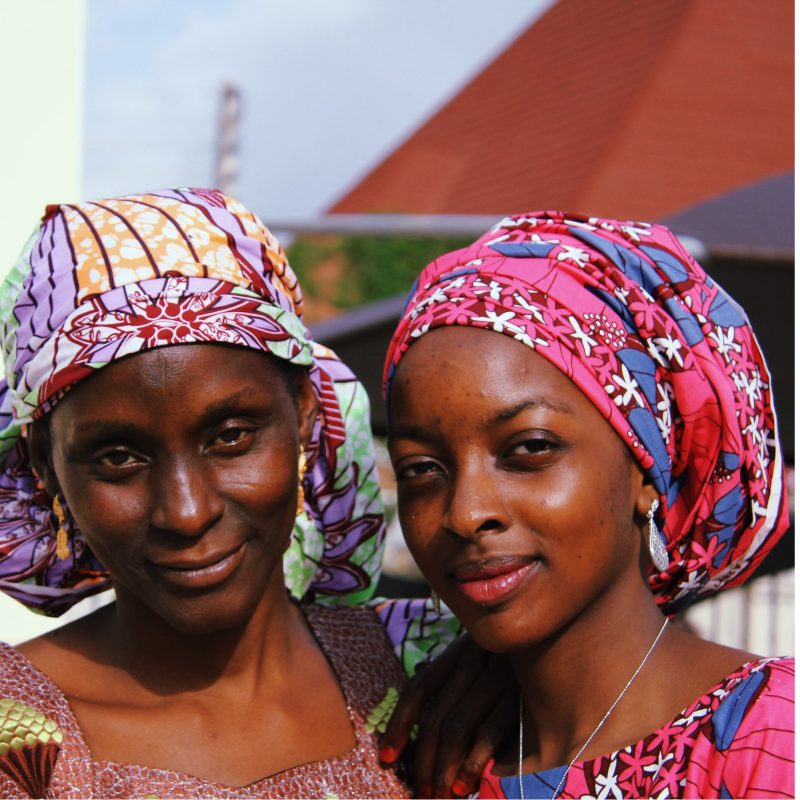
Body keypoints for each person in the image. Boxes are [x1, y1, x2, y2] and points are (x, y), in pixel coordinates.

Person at [0, 188, 476, 798]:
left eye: (230, 436)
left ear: (305, 411)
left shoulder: (438, 673)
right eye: (118, 457)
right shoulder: (24, 746)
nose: (187, 512)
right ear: (45, 462)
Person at [384, 212, 793, 799]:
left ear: (647, 469)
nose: (465, 512)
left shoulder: (769, 740)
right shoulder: (412, 747)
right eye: (422, 469)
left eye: (529, 449)